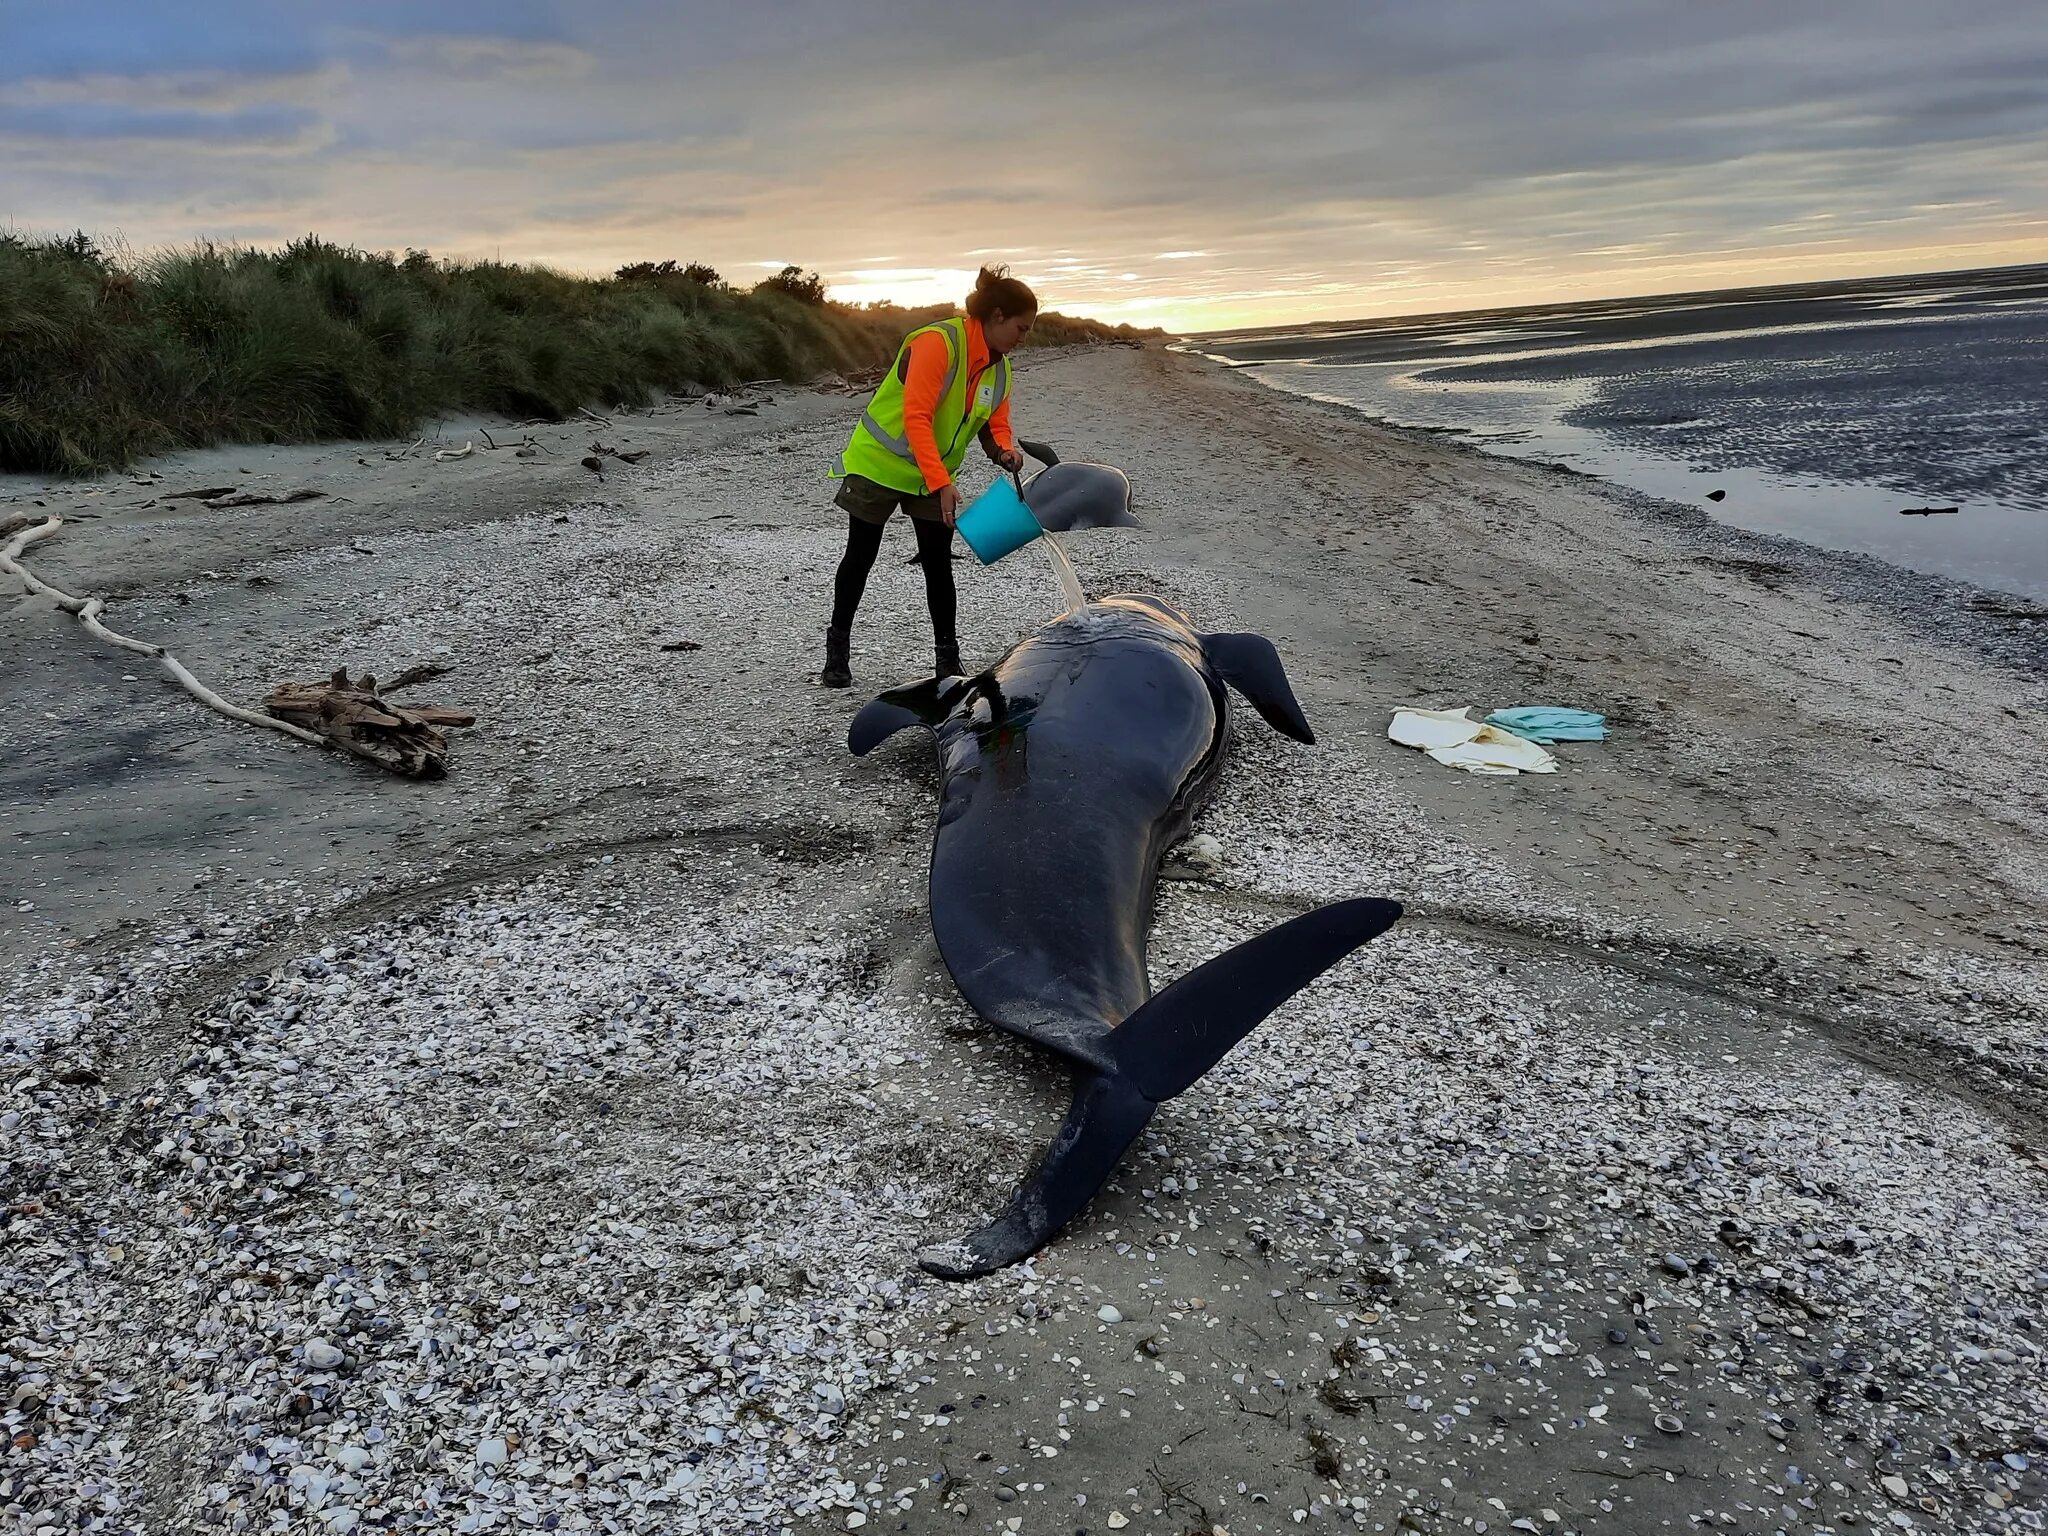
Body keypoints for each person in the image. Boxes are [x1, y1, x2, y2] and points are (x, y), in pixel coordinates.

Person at [822, 265, 1037, 687]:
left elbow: (994, 424)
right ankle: (837, 651)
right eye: (1021, 328)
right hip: (879, 463)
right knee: (861, 555)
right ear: (996, 316)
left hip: (930, 474)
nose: (1023, 338)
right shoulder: (938, 343)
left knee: (939, 564)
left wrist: (1004, 452)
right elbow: (916, 417)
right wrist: (942, 484)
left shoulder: (1000, 369)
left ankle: (948, 661)